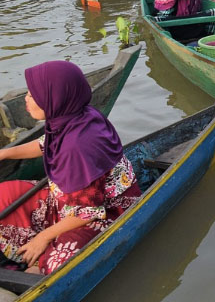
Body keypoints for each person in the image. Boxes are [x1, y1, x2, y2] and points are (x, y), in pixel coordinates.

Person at [0, 60, 141, 275]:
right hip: (69, 200)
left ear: (53, 98)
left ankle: (41, 254)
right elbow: (44, 143)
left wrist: (43, 237)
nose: (26, 99)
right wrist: (5, 153)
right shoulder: (73, 117)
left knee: (55, 266)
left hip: (105, 212)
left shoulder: (77, 146)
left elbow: (90, 212)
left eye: (32, 94)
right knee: (4, 195)